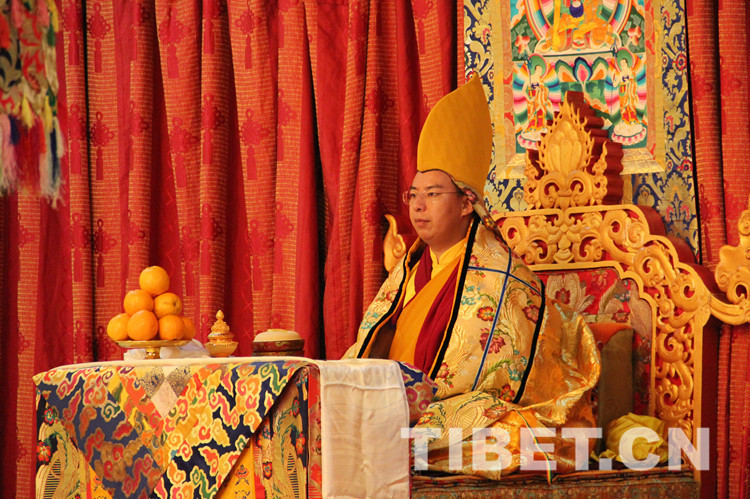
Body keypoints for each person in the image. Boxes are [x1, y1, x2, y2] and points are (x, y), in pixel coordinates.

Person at [343, 74, 600, 478]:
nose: (418, 206)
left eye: (433, 194)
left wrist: (418, 403)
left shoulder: (503, 277)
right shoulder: (408, 272)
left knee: (511, 437)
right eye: (414, 195)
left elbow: (499, 378)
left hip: (454, 412)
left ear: (467, 204)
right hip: (400, 411)